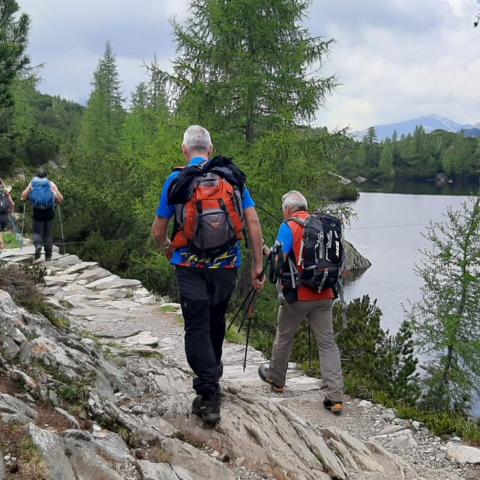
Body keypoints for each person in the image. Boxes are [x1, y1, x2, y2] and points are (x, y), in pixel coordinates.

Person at [152, 125, 265, 425]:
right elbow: (252, 221)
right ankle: (211, 378)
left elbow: (158, 230)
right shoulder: (231, 176)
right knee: (216, 320)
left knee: (197, 325)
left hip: (189, 265)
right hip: (228, 265)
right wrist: (258, 265)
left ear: (184, 149)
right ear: (211, 150)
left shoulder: (177, 179)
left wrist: (166, 248)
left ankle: (209, 390)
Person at [257, 190, 345, 414]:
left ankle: (276, 379)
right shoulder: (322, 225)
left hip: (297, 295)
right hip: (325, 294)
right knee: (327, 343)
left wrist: (265, 251)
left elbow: (278, 261)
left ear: (288, 209)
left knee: (284, 335)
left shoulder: (290, 225)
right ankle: (335, 397)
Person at [21, 168, 64, 261]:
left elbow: (23, 196)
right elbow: (61, 199)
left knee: (37, 232)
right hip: (49, 211)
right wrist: (55, 192)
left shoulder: (33, 183)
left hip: (37, 211)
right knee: (48, 233)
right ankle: (48, 257)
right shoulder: (51, 184)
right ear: (46, 175)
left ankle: (38, 245)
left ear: (37, 175)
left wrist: (27, 196)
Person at [0, 178, 15, 251]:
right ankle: (10, 245)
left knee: (0, 231)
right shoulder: (5, 190)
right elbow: (12, 203)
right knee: (5, 229)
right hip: (5, 213)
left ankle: (2, 247)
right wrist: (11, 211)